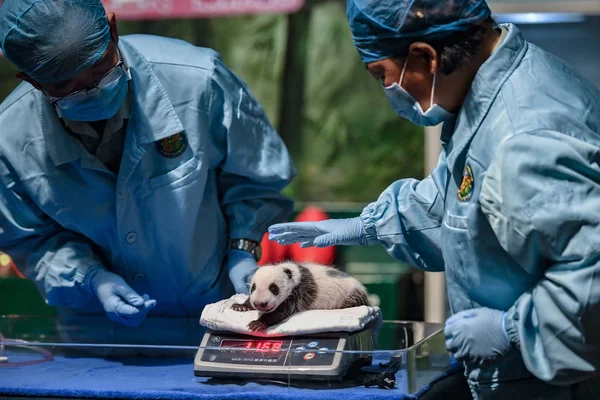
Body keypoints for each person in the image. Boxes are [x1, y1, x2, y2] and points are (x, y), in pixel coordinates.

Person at [269, 0, 600, 398]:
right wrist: (368, 225)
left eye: (382, 77)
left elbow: (591, 278)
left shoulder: (523, 138)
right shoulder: (496, 94)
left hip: (554, 382)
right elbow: (460, 202)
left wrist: (514, 330)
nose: (388, 93)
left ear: (424, 57)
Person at [0, 0, 295, 345]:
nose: (91, 92)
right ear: (31, 80)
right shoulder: (10, 139)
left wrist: (242, 248)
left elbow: (255, 179)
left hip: (216, 320)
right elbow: (30, 239)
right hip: (97, 337)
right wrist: (90, 278)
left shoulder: (198, 81)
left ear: (112, 29)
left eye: (99, 71)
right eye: (66, 86)